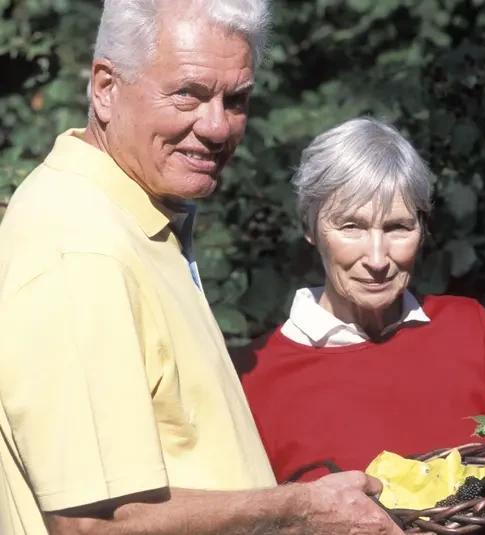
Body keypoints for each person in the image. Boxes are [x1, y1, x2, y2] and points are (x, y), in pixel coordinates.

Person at [0, 2, 404, 534]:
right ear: (104, 87)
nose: (217, 127)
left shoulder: (131, 216)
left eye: (235, 99)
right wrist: (302, 508)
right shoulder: (80, 252)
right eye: (188, 93)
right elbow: (93, 525)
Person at [236, 117, 485, 531]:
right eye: (351, 227)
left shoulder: (468, 329)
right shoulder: (253, 376)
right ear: (310, 228)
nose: (378, 258)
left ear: (423, 227)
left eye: (398, 227)